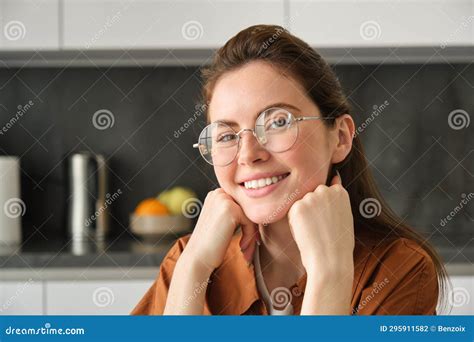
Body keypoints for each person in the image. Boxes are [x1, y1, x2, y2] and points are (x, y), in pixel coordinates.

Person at [132, 24, 447, 315]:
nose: (249, 154)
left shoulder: (398, 270)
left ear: (339, 137)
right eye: (227, 135)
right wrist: (193, 270)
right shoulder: (189, 257)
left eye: (278, 122)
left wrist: (329, 272)